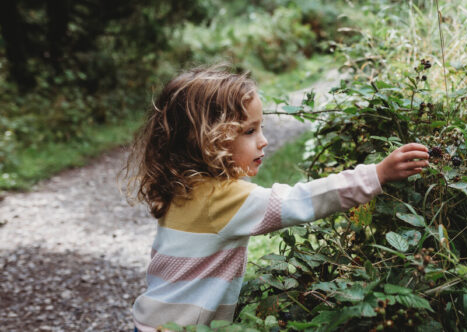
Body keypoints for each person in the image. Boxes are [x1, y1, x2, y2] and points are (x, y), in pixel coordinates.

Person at [125, 64, 429, 331]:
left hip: (151, 319)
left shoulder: (181, 188)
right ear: (207, 140)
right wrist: (377, 174)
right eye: (249, 131)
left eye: (262, 128)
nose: (264, 140)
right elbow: (303, 201)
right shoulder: (224, 198)